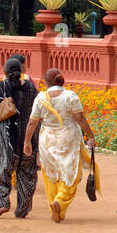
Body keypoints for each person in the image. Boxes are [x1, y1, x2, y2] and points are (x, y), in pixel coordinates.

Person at [23, 67, 97, 222]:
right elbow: (80, 119)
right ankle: (60, 201)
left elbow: (32, 122)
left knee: (51, 175)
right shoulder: (70, 96)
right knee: (72, 175)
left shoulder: (41, 98)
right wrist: (90, 135)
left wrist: (27, 141)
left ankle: (55, 208)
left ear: (46, 82)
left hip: (47, 141)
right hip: (68, 139)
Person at [0, 56, 39, 217]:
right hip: (28, 136)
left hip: (7, 135)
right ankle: (23, 209)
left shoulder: (1, 86)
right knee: (27, 173)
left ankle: (4, 202)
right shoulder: (31, 88)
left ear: (4, 72)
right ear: (22, 70)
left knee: (2, 168)